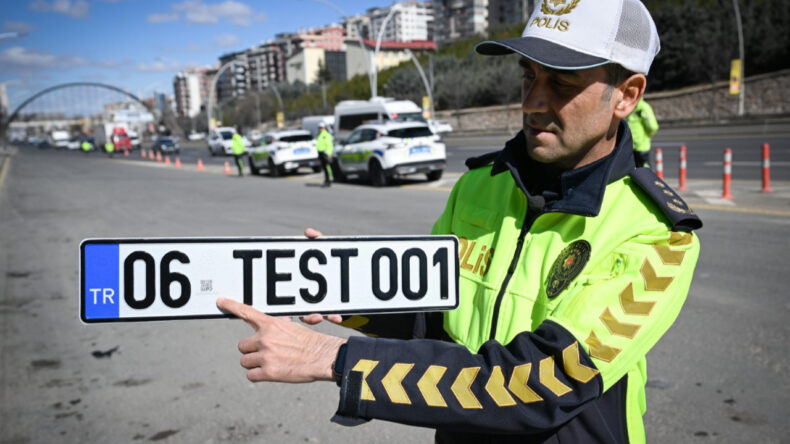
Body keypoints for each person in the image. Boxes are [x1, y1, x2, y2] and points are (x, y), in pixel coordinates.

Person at [217, 0, 702, 442]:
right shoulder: (478, 186)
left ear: (626, 95)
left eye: (562, 83)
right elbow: (438, 322)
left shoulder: (659, 236)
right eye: (528, 76)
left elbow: (540, 382)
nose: (534, 101)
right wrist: (350, 292)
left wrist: (332, 358)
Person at [626, 98, 659, 168]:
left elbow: (653, 127)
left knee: (644, 174)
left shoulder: (643, 107)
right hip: (631, 148)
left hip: (641, 147)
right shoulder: (629, 107)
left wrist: (646, 137)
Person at [315, 122, 334, 187]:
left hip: (325, 153)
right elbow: (319, 145)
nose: (320, 129)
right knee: (324, 167)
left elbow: (329, 145)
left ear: (324, 127)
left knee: (327, 167)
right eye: (319, 128)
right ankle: (326, 179)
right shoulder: (319, 135)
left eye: (321, 127)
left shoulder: (326, 135)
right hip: (320, 153)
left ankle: (329, 180)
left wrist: (328, 154)